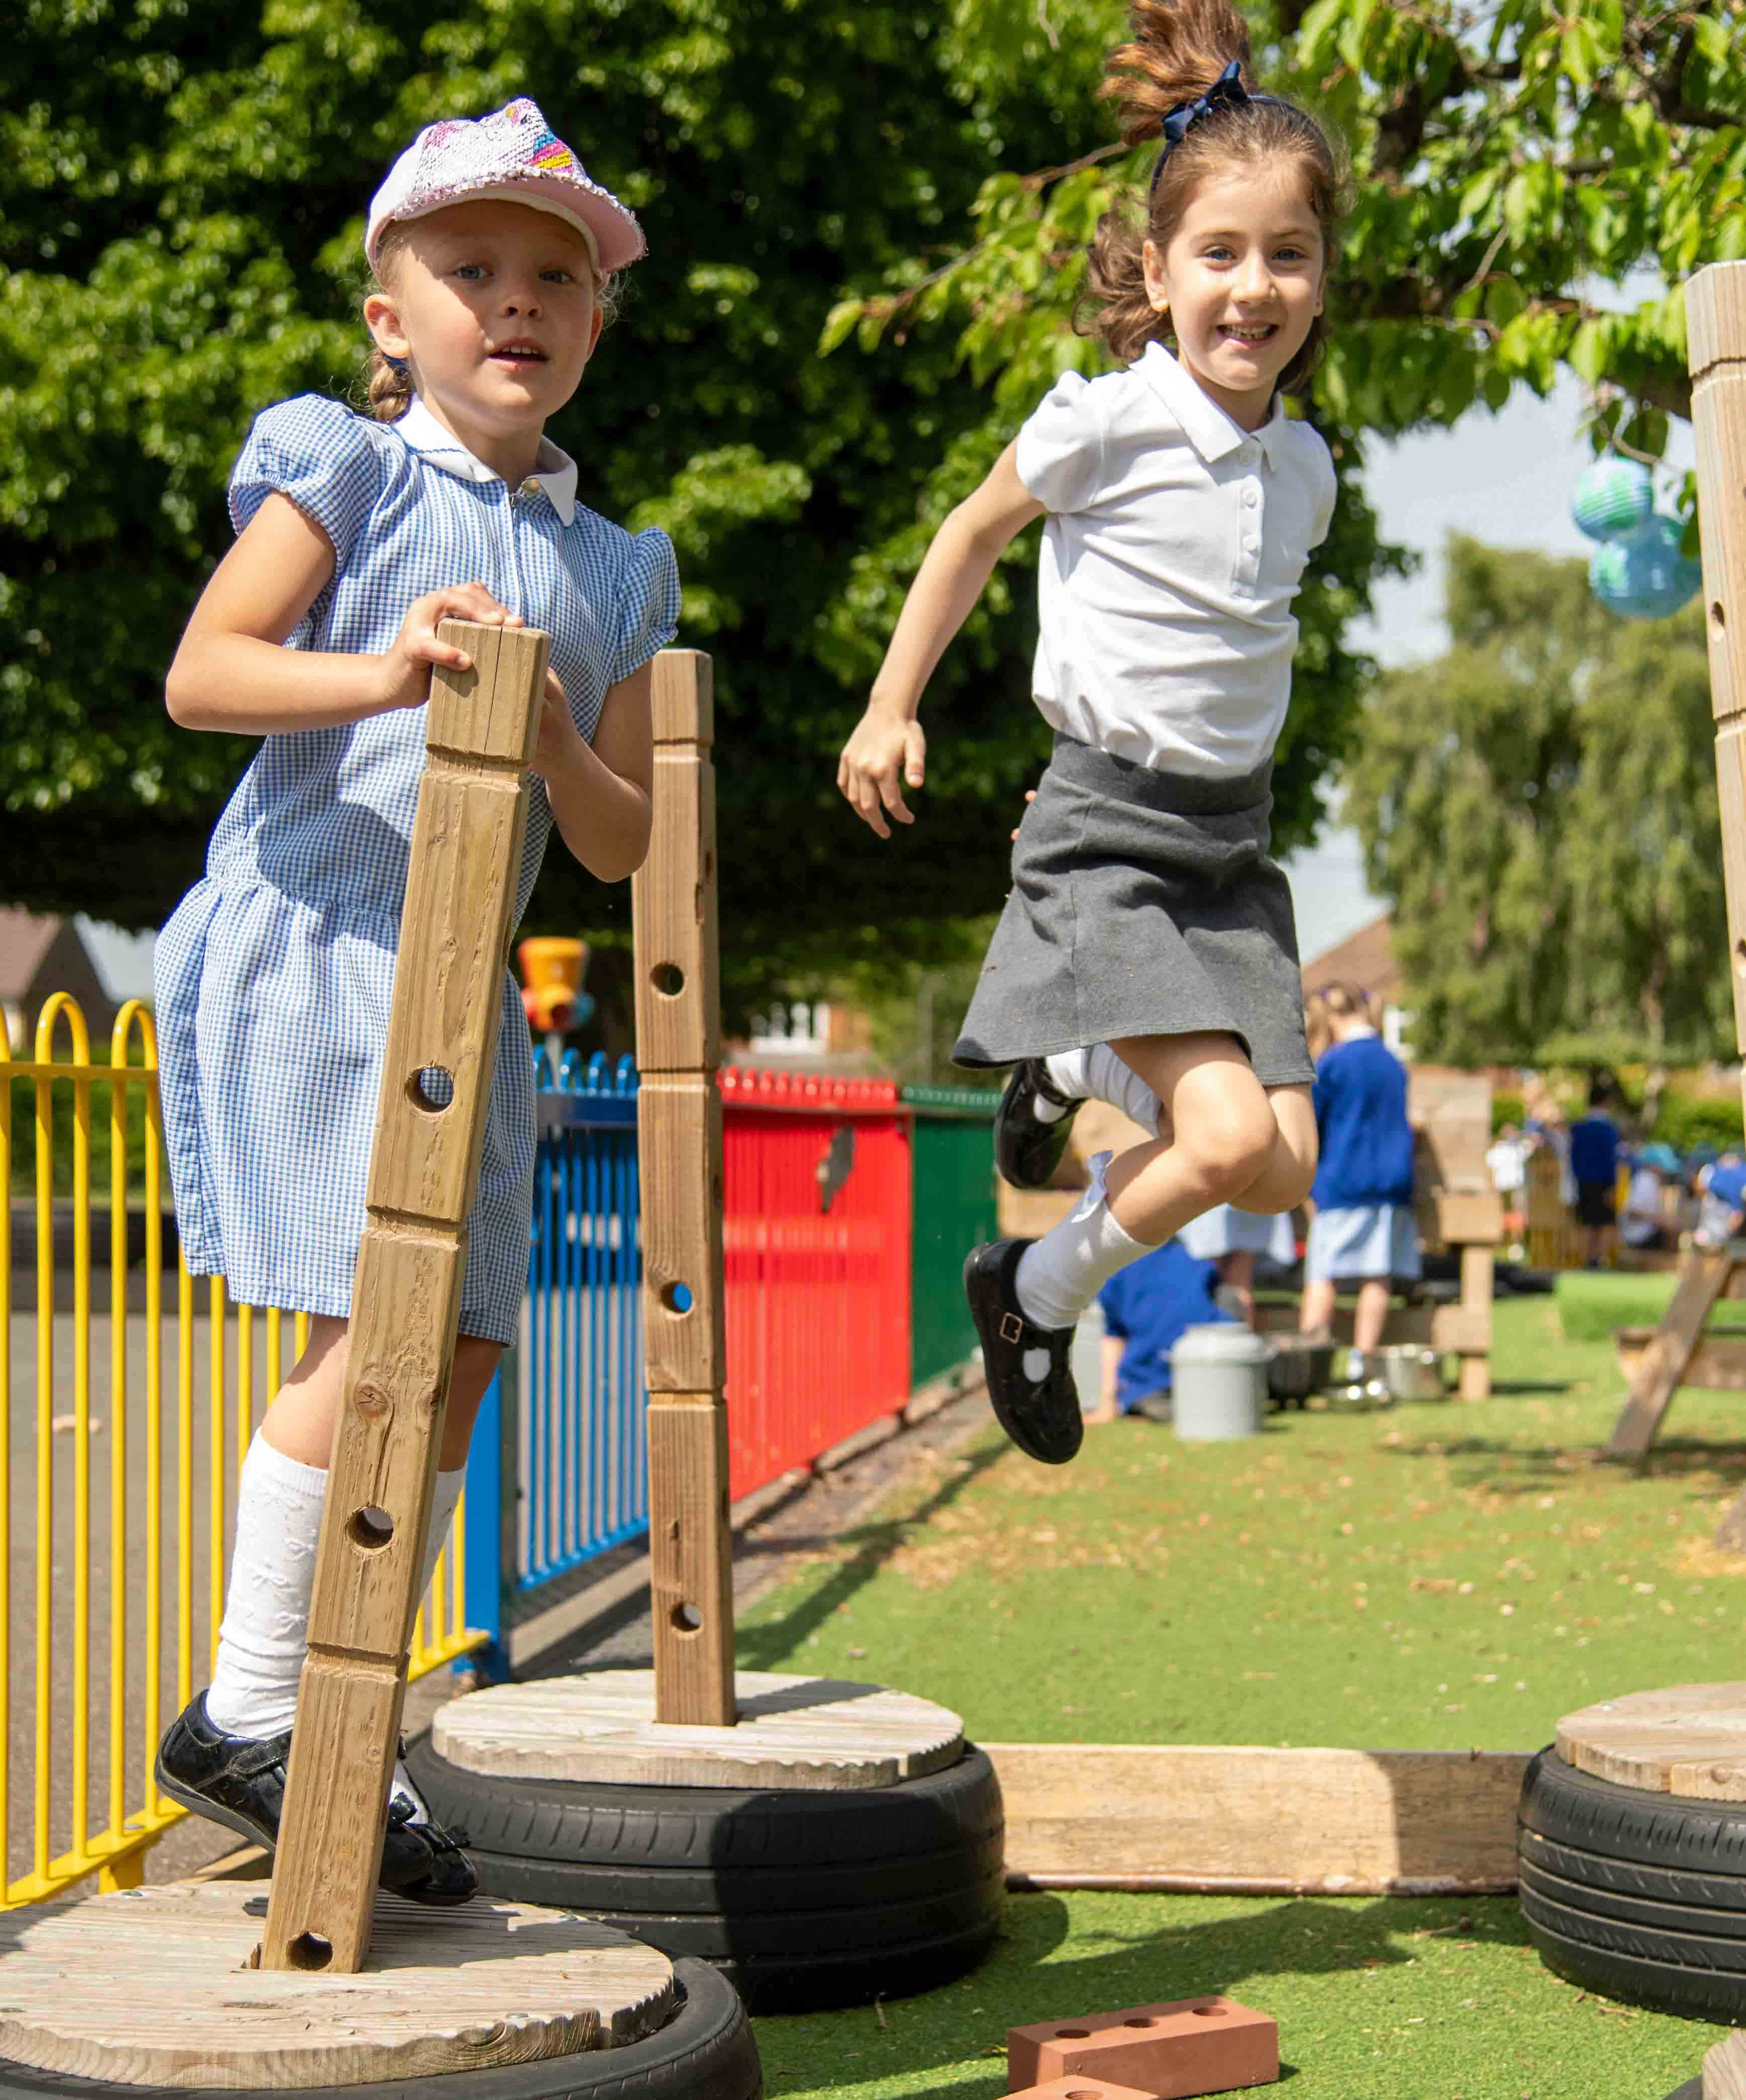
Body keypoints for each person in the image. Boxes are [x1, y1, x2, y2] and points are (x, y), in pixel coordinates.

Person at [147, 101, 677, 1899]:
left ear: (594, 321)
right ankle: (250, 1711)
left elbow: (610, 845)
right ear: (393, 317)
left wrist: (538, 728)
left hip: (466, 999)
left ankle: (340, 1714)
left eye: (555, 278)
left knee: (452, 1361)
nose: (513, 305)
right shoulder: (350, 471)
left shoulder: (616, 565)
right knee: (361, 1337)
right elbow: (206, 675)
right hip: (314, 942)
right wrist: (388, 671)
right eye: (469, 273)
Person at [838, 0, 1343, 1465]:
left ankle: (1038, 1239)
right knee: (1233, 1137)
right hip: (1107, 833)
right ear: (1159, 265)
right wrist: (890, 706)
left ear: (1319, 279)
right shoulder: (1104, 421)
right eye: (1220, 253)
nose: (1252, 287)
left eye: (1286, 255)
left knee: (1282, 1167)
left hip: (1228, 846)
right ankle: (1052, 1196)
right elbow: (971, 531)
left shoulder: (1306, 468)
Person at [1297, 984, 1419, 1358]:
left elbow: (1308, 1125)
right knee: (1377, 1276)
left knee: (1323, 1276)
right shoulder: (1392, 1063)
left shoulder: (1332, 1063)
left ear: (1330, 1017)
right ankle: (1362, 1362)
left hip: (1343, 1184)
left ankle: (1308, 1365)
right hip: (1392, 1184)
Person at [1094, 1238, 1234, 1422]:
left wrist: (1108, 1405)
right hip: (1185, 1378)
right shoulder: (1200, 1255)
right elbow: (1115, 1334)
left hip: (1174, 1380)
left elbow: (1114, 1336)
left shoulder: (1118, 1266)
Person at [1568, 1082, 1623, 1268]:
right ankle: (1598, 1259)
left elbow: (1573, 1156)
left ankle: (1586, 1258)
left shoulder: (1578, 1128)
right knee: (1603, 1222)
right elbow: (1610, 1159)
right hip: (1603, 1181)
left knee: (1586, 1221)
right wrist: (1612, 1184)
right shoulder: (1608, 1129)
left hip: (1583, 1180)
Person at [1619, 1143, 1679, 1253]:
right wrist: (1661, 1221)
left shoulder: (1650, 1180)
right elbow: (1632, 1211)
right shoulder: (1644, 1180)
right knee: (1674, 1228)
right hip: (1638, 1236)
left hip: (1644, 1234)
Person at [1697, 1150, 1746, 1249]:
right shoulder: (1711, 1171)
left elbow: (1737, 1216)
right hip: (1717, 1224)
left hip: (1724, 1226)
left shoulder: (1711, 1171)